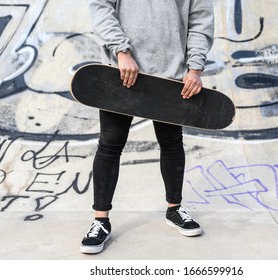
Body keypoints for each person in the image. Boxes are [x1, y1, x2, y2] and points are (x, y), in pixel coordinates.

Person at [81, 0, 215, 254]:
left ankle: (174, 209)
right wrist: (121, 51)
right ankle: (100, 221)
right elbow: (100, 6)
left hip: (169, 75)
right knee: (110, 144)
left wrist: (195, 67)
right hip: (120, 71)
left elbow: (201, 18)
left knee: (172, 143)